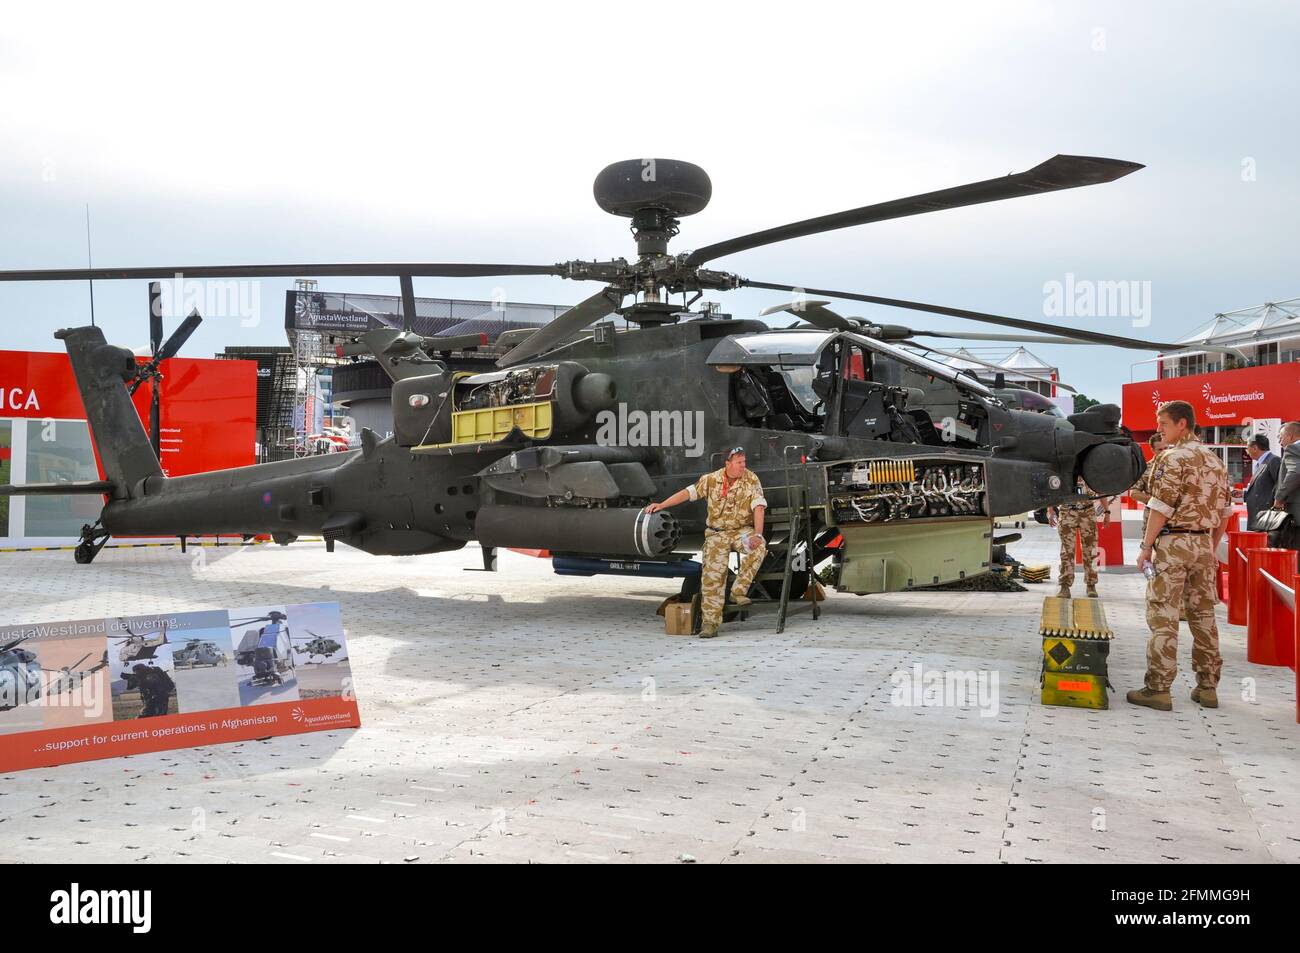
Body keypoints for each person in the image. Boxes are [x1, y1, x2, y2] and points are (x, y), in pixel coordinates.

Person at [1128, 401, 1233, 712]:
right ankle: (1208, 687)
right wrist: (1210, 547)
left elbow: (1161, 506)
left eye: (1163, 424)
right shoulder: (1215, 461)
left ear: (1182, 424)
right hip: (1203, 546)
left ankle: (1158, 689)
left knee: (1164, 616)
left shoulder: (1171, 458)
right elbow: (1224, 513)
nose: (1159, 429)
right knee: (1204, 618)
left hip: (1172, 544)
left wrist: (1146, 547)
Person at [645, 447, 767, 639]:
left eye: (744, 462)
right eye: (739, 462)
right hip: (716, 534)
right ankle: (710, 623)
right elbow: (687, 493)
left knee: (759, 547)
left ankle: (738, 590)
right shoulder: (710, 480)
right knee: (712, 577)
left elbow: (758, 507)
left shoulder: (751, 479)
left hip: (741, 531)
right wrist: (661, 505)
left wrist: (758, 535)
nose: (743, 466)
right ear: (727, 464)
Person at [1047, 478, 1111, 598]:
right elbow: (1052, 489)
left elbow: (1101, 491)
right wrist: (1050, 511)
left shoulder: (1090, 467)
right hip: (1067, 511)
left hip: (1088, 512)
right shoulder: (1064, 467)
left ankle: (1091, 584)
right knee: (1067, 551)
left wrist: (1107, 512)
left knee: (1091, 550)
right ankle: (1064, 586)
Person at [1271, 421, 1300, 549]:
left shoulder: (1292, 449)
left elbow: (1294, 473)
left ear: (1291, 436)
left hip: (1296, 512)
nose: (1280, 442)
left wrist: (1279, 497)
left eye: (1281, 437)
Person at [1242, 434, 1281, 529]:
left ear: (1255, 448)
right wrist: (1244, 493)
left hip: (1265, 515)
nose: (1247, 452)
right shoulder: (1262, 463)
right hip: (1258, 514)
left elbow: (1280, 484)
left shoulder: (1273, 460)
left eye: (1247, 448)